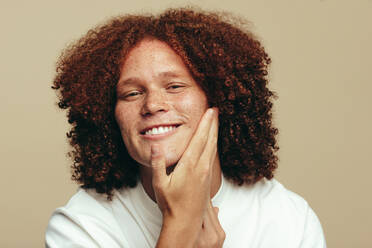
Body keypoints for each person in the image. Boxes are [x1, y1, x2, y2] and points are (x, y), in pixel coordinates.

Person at [46, 8, 326, 248]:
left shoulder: (288, 219)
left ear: (219, 100)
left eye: (175, 86)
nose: (153, 105)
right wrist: (179, 228)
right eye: (132, 93)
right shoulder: (81, 226)